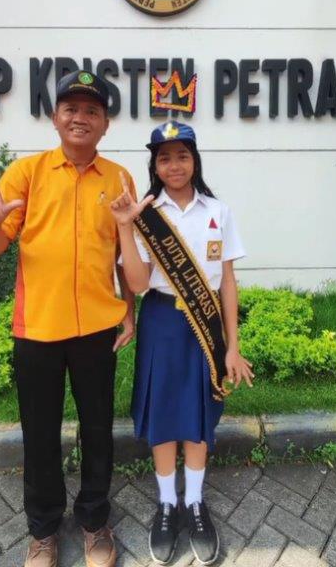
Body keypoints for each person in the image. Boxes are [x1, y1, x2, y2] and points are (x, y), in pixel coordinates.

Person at [0, 70, 136, 567]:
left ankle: (94, 520)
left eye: (92, 110)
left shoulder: (119, 178)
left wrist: (130, 311)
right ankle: (42, 530)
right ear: (55, 117)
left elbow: (123, 253)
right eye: (71, 108)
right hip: (38, 328)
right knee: (40, 433)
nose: (80, 117)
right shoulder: (27, 173)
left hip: (97, 330)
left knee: (98, 428)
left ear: (105, 124)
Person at [110, 120, 254, 566]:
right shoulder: (147, 214)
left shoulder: (218, 211)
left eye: (182, 156)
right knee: (163, 412)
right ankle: (167, 504)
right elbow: (136, 283)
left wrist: (233, 345)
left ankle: (194, 501)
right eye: (165, 158)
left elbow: (226, 282)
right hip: (161, 321)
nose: (174, 165)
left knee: (198, 411)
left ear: (195, 160)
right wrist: (125, 227)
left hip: (204, 325)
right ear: (154, 165)